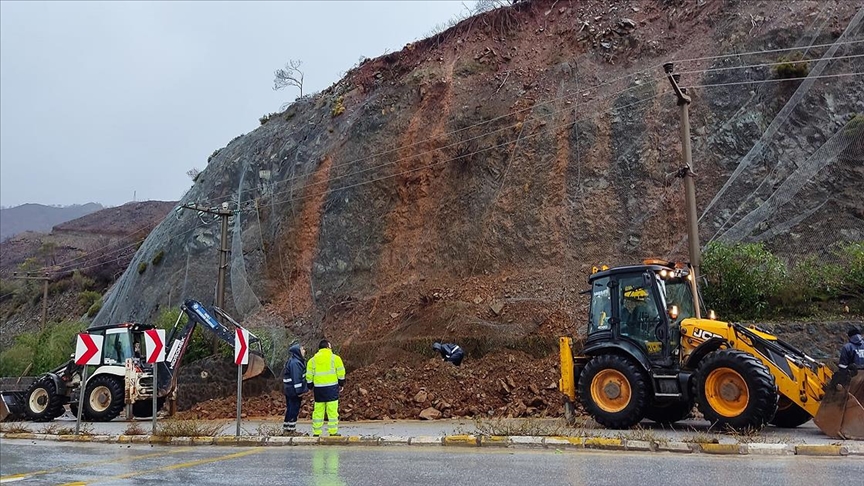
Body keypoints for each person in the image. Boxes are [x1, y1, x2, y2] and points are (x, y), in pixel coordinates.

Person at [306, 339, 346, 437]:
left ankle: (316, 432)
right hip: (332, 389)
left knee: (318, 411)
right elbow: (341, 373)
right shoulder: (335, 358)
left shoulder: (312, 361)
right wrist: (341, 384)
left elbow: (309, 375)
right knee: (332, 411)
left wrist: (310, 386)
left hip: (319, 389)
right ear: (328, 347)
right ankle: (333, 432)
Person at [282, 342, 308, 435]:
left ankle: (287, 429)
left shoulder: (293, 361)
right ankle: (291, 430)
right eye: (302, 349)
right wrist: (299, 391)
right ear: (297, 351)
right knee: (294, 408)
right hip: (294, 391)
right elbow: (297, 378)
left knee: (290, 408)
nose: (304, 351)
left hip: (289, 390)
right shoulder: (296, 363)